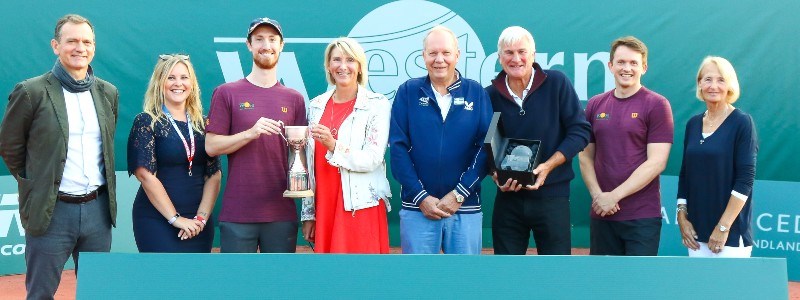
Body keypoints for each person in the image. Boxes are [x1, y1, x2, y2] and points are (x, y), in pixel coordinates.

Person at [0, 14, 118, 299]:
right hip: (51, 212)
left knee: (96, 292)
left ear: (94, 47)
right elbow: (10, 146)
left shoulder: (107, 92)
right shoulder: (31, 92)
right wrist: (36, 182)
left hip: (97, 212)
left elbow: (106, 144)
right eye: (72, 41)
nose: (80, 47)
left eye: (87, 41)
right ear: (56, 45)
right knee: (41, 293)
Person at [485, 26, 591, 255]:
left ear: (533, 55)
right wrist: (495, 175)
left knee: (555, 272)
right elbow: (485, 145)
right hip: (508, 198)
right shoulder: (490, 95)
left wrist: (548, 166)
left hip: (552, 196)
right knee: (506, 273)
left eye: (522, 51)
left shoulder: (557, 83)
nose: (516, 59)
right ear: (499, 57)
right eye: (509, 52)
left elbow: (580, 131)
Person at [205, 17, 306, 253]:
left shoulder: (295, 99)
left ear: (282, 45)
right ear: (249, 45)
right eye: (259, 39)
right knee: (237, 288)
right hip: (238, 212)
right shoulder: (226, 93)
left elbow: (301, 157)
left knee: (279, 287)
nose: (266, 45)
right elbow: (211, 146)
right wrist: (250, 133)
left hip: (281, 212)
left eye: (272, 39)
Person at [389, 25, 493, 254]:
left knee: (464, 283)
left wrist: (459, 194)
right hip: (418, 208)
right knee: (418, 283)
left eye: (446, 53)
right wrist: (421, 197)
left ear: (457, 55)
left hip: (465, 208)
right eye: (433, 53)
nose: (439, 60)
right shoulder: (407, 91)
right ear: (423, 56)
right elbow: (397, 148)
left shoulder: (478, 93)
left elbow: (488, 147)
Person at [579, 36, 674, 256]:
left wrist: (614, 196)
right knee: (604, 284)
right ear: (611, 66)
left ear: (644, 67)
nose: (627, 68)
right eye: (621, 62)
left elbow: (657, 162)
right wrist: (598, 196)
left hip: (642, 217)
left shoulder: (657, 104)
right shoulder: (595, 104)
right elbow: (585, 157)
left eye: (633, 63)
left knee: (637, 287)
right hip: (602, 213)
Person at [299, 38, 392, 253]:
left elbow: (373, 158)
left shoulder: (376, 104)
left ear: (359, 66)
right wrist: (309, 213)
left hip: (360, 207)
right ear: (329, 67)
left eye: (350, 60)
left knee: (364, 277)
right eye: (336, 60)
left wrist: (334, 145)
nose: (343, 66)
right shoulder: (316, 105)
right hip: (324, 206)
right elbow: (308, 166)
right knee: (330, 279)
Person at [127, 54, 222, 252]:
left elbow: (214, 175)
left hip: (199, 223)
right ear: (159, 82)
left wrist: (200, 219)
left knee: (195, 280)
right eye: (170, 77)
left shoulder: (204, 124)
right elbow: (145, 175)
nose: (178, 83)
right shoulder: (146, 121)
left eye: (184, 77)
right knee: (162, 280)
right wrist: (176, 219)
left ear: (192, 83)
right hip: (157, 220)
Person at [676, 56, 758, 257]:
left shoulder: (742, 122)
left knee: (729, 289)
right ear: (700, 84)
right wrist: (681, 216)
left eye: (721, 80)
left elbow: (745, 180)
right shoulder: (693, 124)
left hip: (729, 235)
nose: (714, 86)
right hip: (695, 234)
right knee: (698, 289)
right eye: (708, 79)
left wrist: (723, 228)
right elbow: (685, 174)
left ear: (730, 85)